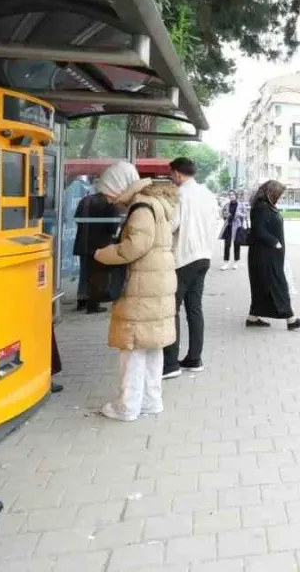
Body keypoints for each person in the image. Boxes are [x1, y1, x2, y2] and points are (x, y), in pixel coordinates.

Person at [93, 162, 179, 422]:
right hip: (157, 281)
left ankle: (127, 406)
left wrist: (103, 253)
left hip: (143, 285)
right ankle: (151, 401)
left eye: (108, 192)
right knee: (151, 345)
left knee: (132, 346)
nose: (108, 198)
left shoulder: (141, 206)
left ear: (119, 186)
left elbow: (135, 246)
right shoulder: (155, 203)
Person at [163, 157, 218, 379]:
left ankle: (170, 364)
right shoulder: (208, 194)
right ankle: (194, 358)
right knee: (194, 308)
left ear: (177, 173)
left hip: (184, 257)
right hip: (204, 256)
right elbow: (215, 222)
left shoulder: (181, 195)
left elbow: (173, 225)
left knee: (171, 308)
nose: (170, 178)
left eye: (171, 174)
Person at [245, 180, 300, 330]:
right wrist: (275, 242)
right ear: (271, 193)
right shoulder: (262, 207)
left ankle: (252, 318)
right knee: (278, 286)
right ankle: (291, 320)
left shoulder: (265, 206)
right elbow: (258, 230)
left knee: (262, 287)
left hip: (268, 255)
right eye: (279, 194)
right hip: (265, 255)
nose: (280, 197)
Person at [73, 180, 120, 313]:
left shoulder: (85, 200)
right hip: (100, 245)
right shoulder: (110, 205)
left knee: (84, 272)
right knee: (97, 275)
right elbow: (112, 227)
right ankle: (93, 304)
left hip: (83, 242)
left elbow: (77, 219)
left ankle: (81, 300)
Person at [219, 190, 249, 270]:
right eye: (230, 195)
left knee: (236, 245)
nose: (231, 196)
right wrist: (225, 215)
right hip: (228, 227)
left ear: (236, 195)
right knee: (227, 245)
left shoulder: (241, 205)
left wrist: (240, 214)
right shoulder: (226, 205)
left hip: (237, 227)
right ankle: (226, 262)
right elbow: (222, 214)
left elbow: (246, 215)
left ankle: (236, 262)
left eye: (233, 195)